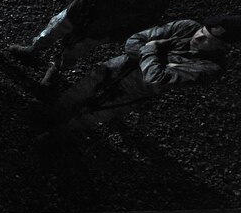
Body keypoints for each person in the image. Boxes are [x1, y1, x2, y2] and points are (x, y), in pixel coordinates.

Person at [8, 0, 180, 86]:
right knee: (51, 31)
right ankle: (33, 50)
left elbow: (145, 24)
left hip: (99, 30)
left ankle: (54, 71)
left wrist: (114, 35)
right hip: (78, 12)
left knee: (73, 52)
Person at [46, 15, 241, 135]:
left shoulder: (211, 68)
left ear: (223, 46)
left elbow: (155, 78)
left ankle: (57, 135)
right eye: (202, 31)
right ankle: (49, 115)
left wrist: (152, 49)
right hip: (115, 68)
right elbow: (136, 39)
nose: (198, 37)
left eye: (208, 39)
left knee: (92, 116)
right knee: (77, 92)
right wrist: (152, 59)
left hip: (132, 93)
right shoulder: (186, 27)